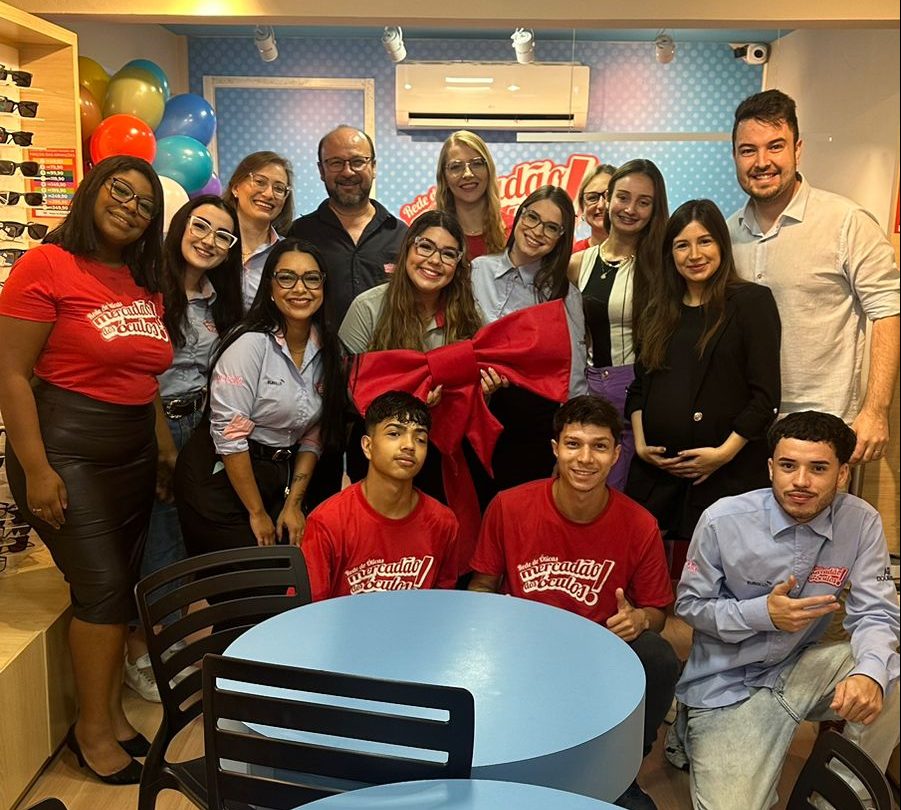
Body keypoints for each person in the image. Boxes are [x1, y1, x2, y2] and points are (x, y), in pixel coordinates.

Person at [0, 156, 171, 784]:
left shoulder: (141, 278)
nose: (130, 206)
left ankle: (111, 716)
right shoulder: (44, 264)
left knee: (117, 586)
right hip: (67, 449)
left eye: (145, 203)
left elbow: (145, 377)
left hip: (132, 451)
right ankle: (90, 732)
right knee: (99, 589)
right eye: (119, 191)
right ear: (92, 192)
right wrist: (37, 469)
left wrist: (165, 451)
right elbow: (11, 376)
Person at [670, 411, 900, 810]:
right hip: (728, 685)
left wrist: (868, 674)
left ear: (842, 474)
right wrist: (762, 614)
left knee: (889, 672)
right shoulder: (722, 520)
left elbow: (876, 613)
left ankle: (846, 798)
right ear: (771, 468)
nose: (800, 482)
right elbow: (689, 605)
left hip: (800, 668)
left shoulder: (861, 522)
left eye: (818, 468)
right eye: (789, 466)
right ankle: (694, 730)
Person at [469, 394, 679, 810]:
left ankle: (619, 772)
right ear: (555, 448)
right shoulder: (509, 507)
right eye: (573, 444)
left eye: (599, 446)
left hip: (599, 651)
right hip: (521, 649)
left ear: (617, 454)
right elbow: (480, 587)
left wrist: (638, 620)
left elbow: (658, 611)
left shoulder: (639, 524)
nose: (585, 458)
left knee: (659, 656)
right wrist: (499, 620)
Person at [728, 89, 899, 466]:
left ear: (797, 149)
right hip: (744, 427)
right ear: (735, 156)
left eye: (775, 146)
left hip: (824, 427)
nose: (762, 161)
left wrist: (876, 409)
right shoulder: (727, 234)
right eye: (747, 150)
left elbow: (888, 310)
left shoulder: (845, 222)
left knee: (822, 526)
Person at [123, 194, 243, 702]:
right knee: (161, 539)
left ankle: (171, 644)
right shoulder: (147, 288)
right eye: (201, 226)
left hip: (202, 425)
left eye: (223, 236)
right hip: (156, 423)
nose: (209, 241)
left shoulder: (219, 298)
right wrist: (164, 450)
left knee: (188, 537)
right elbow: (142, 374)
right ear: (179, 226)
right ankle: (142, 653)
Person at [174, 238, 345, 554]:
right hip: (222, 479)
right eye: (286, 277)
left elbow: (312, 436)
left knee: (284, 576)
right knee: (244, 585)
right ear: (269, 287)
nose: (300, 289)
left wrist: (293, 503)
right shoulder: (249, 345)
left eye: (311, 278)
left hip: (278, 477)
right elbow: (230, 437)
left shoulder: (328, 352)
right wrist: (256, 512)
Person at [625, 199, 781, 539]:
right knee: (656, 578)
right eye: (682, 245)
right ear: (670, 254)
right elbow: (639, 388)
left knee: (717, 576)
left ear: (722, 245)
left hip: (728, 475)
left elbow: (765, 397)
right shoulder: (657, 311)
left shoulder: (751, 303)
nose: (694, 255)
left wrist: (722, 455)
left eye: (704, 241)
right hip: (657, 478)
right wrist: (640, 445)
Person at [289, 125, 407, 509]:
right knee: (314, 501)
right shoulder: (299, 235)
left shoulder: (403, 237)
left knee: (378, 500)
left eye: (357, 161)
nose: (348, 171)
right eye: (336, 162)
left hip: (381, 395)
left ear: (373, 166)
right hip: (313, 389)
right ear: (321, 170)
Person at [471, 184, 587, 495]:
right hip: (472, 417)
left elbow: (572, 378)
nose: (537, 231)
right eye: (532, 218)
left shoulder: (563, 295)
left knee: (519, 520)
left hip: (529, 426)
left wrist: (570, 441)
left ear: (562, 237)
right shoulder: (475, 271)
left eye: (551, 228)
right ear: (519, 215)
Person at [567, 159, 670, 490]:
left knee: (628, 501)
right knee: (585, 494)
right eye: (623, 197)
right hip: (590, 393)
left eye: (644, 202)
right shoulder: (577, 264)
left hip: (644, 397)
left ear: (655, 210)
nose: (630, 209)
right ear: (607, 199)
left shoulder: (662, 268)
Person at [302, 390, 459, 601]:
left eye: (420, 438)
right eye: (394, 434)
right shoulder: (327, 522)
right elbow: (307, 612)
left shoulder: (443, 522)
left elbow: (443, 604)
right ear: (367, 446)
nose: (409, 446)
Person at [223, 150, 294, 310]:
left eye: (279, 188)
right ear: (235, 187)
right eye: (260, 182)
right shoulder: (212, 242)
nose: (269, 194)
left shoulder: (287, 254)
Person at [433, 130, 507, 261]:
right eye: (456, 167)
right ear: (444, 178)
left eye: (476, 164)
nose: (468, 174)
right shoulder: (431, 234)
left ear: (489, 171)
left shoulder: (513, 232)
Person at [571, 163, 617, 253]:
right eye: (592, 198)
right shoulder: (572, 256)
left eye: (608, 196)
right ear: (582, 206)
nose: (601, 205)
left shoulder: (641, 253)